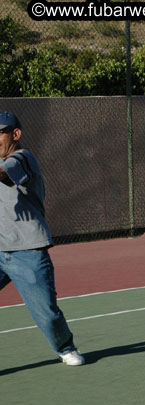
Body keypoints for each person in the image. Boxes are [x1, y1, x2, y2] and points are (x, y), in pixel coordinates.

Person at [0, 111, 84, 366]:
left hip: (28, 251)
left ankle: (65, 347)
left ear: (15, 135)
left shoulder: (23, 158)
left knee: (46, 314)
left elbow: (4, 175)